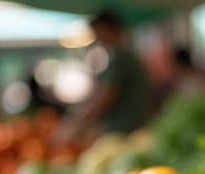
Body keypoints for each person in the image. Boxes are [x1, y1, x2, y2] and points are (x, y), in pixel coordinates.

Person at [55, 12, 151, 142]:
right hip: (131, 134)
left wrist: (73, 124)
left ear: (108, 28)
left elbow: (105, 98)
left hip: (123, 135)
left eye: (97, 32)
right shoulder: (129, 57)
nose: (97, 38)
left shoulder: (120, 58)